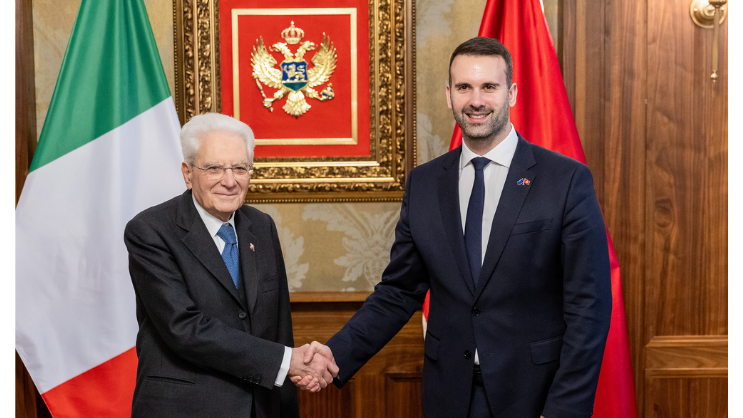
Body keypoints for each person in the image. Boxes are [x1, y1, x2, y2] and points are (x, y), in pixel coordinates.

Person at [297, 37, 612, 418]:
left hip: (534, 396)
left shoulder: (565, 180)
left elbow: (589, 306)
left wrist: (563, 409)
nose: (476, 100)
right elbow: (399, 291)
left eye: (489, 87)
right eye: (464, 87)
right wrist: (335, 354)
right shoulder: (425, 184)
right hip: (449, 395)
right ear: (449, 95)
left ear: (511, 93)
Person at [124, 113, 338, 418]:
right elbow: (184, 328)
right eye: (214, 168)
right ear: (188, 174)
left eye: (239, 168)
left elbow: (279, 329)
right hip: (185, 408)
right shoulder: (150, 230)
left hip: (259, 406)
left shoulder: (261, 226)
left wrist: (292, 378)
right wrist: (285, 361)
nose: (229, 181)